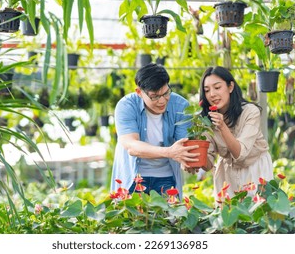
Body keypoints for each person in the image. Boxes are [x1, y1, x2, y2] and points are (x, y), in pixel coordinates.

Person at [110, 63, 198, 199]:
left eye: (166, 93)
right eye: (155, 96)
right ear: (139, 92)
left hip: (166, 177)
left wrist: (188, 161)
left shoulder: (181, 105)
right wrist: (169, 152)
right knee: (130, 218)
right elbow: (131, 146)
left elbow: (184, 144)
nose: (162, 100)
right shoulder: (126, 105)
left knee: (170, 219)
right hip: (133, 178)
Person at [195, 66, 274, 199]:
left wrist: (222, 126)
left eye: (217, 87)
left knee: (258, 213)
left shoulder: (250, 112)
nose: (212, 94)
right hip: (227, 174)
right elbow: (208, 164)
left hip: (255, 169)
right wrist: (195, 159)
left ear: (230, 87)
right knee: (229, 215)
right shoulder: (207, 120)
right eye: (207, 90)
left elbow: (240, 153)